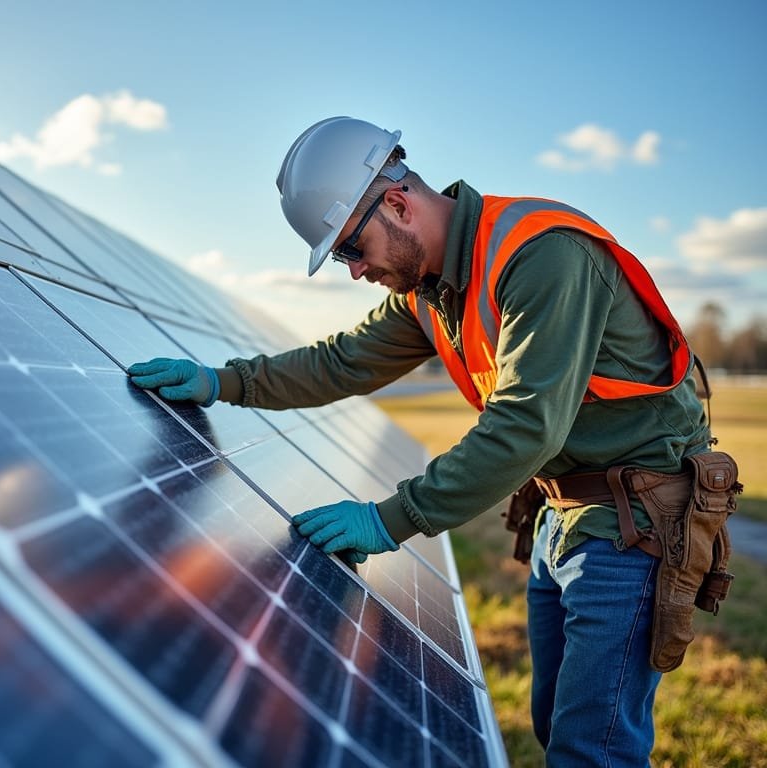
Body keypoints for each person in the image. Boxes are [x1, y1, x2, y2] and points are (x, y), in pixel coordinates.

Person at [127, 116, 710, 766]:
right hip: (564, 519)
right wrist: (222, 382)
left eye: (351, 248)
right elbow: (342, 362)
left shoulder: (541, 254)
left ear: (398, 202)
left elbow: (525, 424)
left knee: (591, 751)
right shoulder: (432, 291)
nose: (355, 271)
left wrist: (391, 519)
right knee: (556, 726)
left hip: (633, 527)